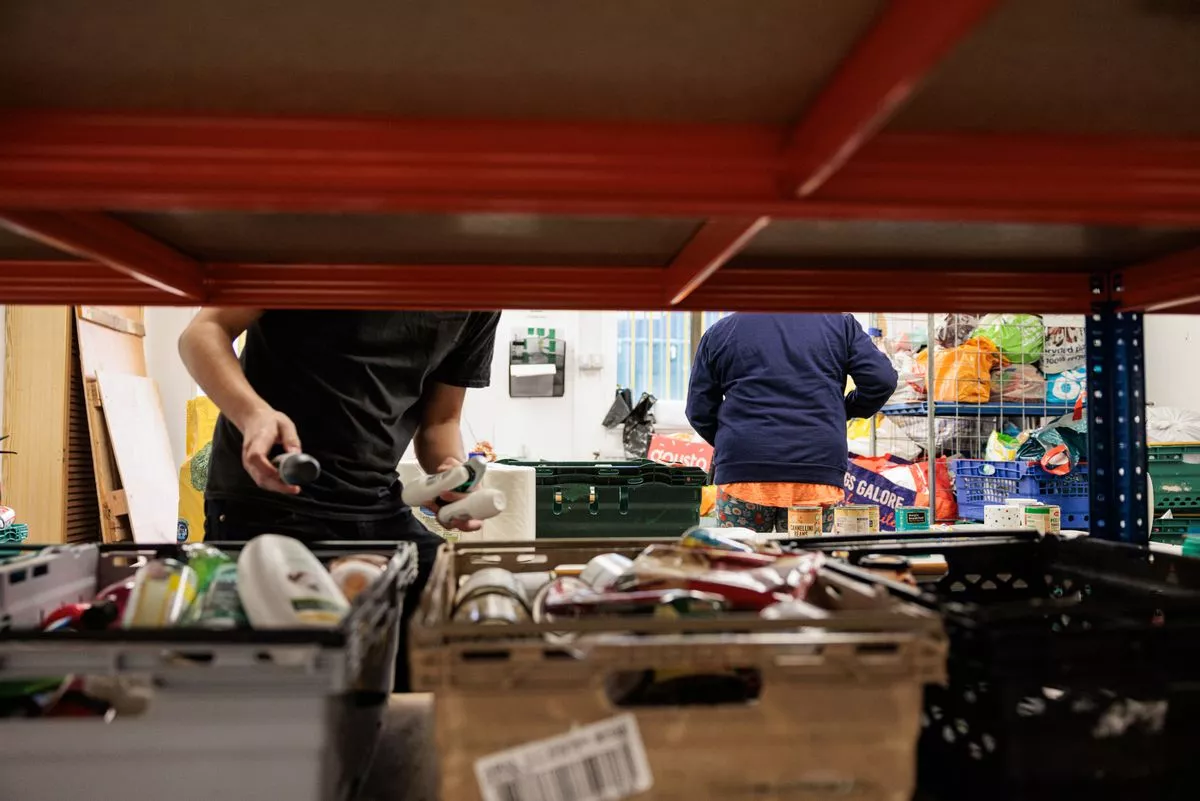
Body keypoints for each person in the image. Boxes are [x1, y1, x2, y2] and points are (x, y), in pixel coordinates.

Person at [179, 309, 501, 690]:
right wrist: (254, 415)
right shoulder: (324, 246)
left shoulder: (481, 291)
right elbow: (202, 332)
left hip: (377, 500)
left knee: (464, 627)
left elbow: (440, 423)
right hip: (269, 498)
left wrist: (453, 477)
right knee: (285, 689)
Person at [685, 313, 897, 533]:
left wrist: (734, 441)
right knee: (809, 564)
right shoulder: (839, 324)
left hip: (743, 471)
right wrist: (844, 410)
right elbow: (881, 379)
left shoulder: (722, 329)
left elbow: (698, 409)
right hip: (816, 468)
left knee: (741, 562)